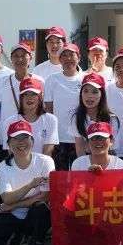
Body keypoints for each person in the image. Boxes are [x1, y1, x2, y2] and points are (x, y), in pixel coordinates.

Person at [0, 119, 55, 245]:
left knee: (41, 209)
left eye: (25, 138)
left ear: (32, 140)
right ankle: (17, 236)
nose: (21, 142)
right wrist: (31, 185)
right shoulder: (3, 166)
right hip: (14, 216)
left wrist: (14, 205)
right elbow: (7, 198)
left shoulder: (45, 161)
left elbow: (45, 196)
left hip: (32, 214)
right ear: (8, 144)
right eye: (15, 139)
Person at [0, 42, 42, 159]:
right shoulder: (2, 82)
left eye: (23, 55)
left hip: (34, 137)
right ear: (11, 59)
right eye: (16, 56)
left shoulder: (40, 81)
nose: (20, 59)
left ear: (30, 58)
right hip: (8, 137)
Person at [44, 43, 83, 171]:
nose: (68, 59)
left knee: (80, 178)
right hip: (59, 138)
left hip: (81, 137)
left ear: (79, 57)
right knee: (61, 179)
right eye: (64, 55)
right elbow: (48, 109)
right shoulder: (51, 80)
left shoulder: (85, 79)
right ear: (59, 60)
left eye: (71, 55)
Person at [0, 76, 57, 156]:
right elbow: (12, 154)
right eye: (25, 94)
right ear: (21, 97)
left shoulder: (51, 120)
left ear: (40, 97)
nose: (29, 98)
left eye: (33, 94)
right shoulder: (9, 122)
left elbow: (48, 152)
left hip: (43, 166)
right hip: (18, 166)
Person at [70, 72, 116, 160]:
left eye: (95, 92)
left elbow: (111, 147)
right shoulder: (76, 118)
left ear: (102, 95)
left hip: (107, 160)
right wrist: (86, 167)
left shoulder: (112, 119)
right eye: (85, 91)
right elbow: (80, 148)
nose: (89, 96)